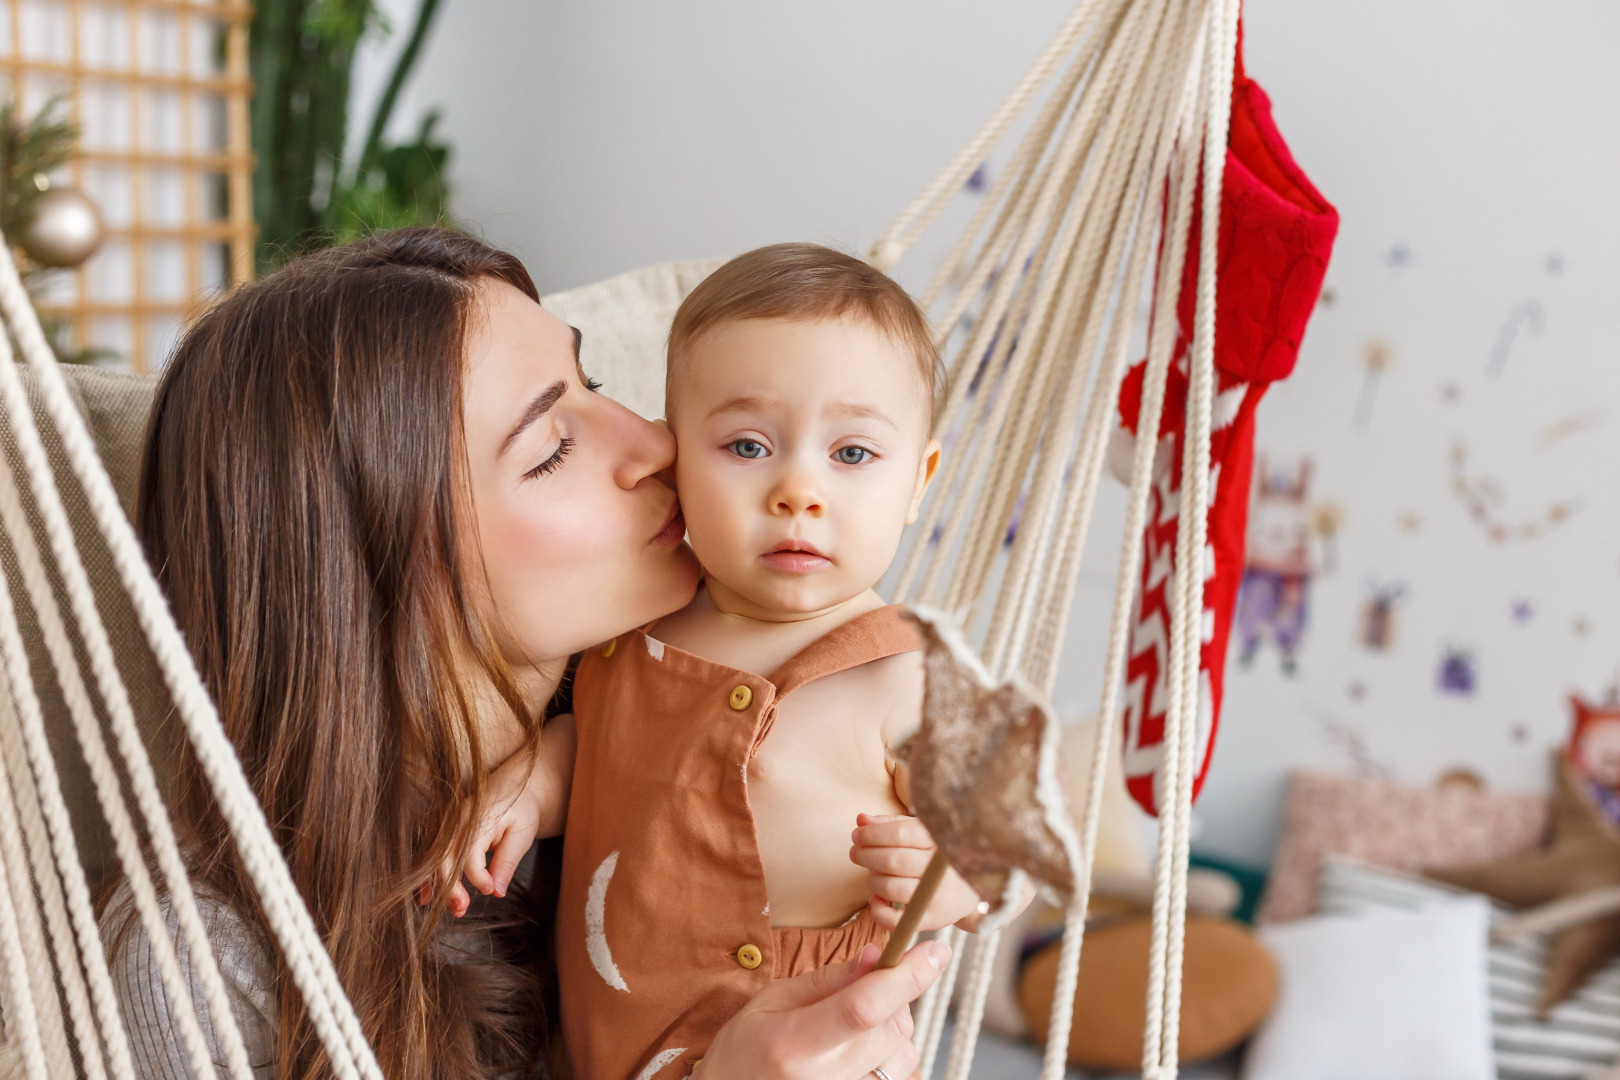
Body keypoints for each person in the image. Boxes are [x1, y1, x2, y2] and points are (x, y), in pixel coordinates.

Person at [108, 227, 947, 1080]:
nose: (658, 443)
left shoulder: (691, 747)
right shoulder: (208, 967)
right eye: (550, 448)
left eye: (598, 384)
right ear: (369, 567)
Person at [454, 244, 1000, 1080]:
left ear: (918, 482)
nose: (798, 491)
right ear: (677, 457)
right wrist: (529, 786)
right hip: (602, 1041)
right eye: (747, 446)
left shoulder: (907, 675)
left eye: (852, 455)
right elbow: (601, 744)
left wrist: (960, 876)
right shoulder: (636, 624)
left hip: (813, 1049)